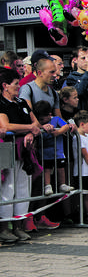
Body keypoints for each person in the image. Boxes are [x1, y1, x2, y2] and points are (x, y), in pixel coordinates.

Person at [0, 67, 41, 242]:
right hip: (7, 148)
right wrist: (28, 128)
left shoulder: (22, 103)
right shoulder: (1, 104)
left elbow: (36, 122)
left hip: (25, 150)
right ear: (5, 86)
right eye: (16, 84)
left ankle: (19, 225)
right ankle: (5, 227)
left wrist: (32, 132)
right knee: (8, 187)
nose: (18, 87)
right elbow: (5, 126)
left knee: (23, 187)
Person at [32, 100, 74, 196]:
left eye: (43, 119)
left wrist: (58, 132)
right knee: (47, 169)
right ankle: (47, 185)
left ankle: (62, 184)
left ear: (49, 115)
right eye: (40, 120)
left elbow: (66, 126)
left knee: (60, 168)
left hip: (58, 152)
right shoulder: (38, 123)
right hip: (45, 152)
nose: (41, 122)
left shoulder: (56, 119)